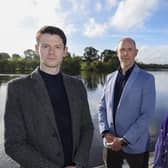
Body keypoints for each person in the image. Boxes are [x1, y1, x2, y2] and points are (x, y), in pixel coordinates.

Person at [4, 25, 94, 168]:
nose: (51, 52)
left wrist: (79, 162)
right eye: (45, 46)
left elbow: (87, 127)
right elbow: (14, 144)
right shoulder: (17, 88)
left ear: (65, 51)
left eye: (57, 47)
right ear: (36, 49)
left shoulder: (77, 86)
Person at [98, 37, 156, 168]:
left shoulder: (147, 79)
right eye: (122, 50)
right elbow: (102, 108)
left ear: (136, 52)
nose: (125, 53)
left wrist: (124, 140)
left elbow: (147, 114)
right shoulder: (109, 78)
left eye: (129, 49)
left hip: (135, 144)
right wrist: (105, 132)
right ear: (117, 53)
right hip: (110, 143)